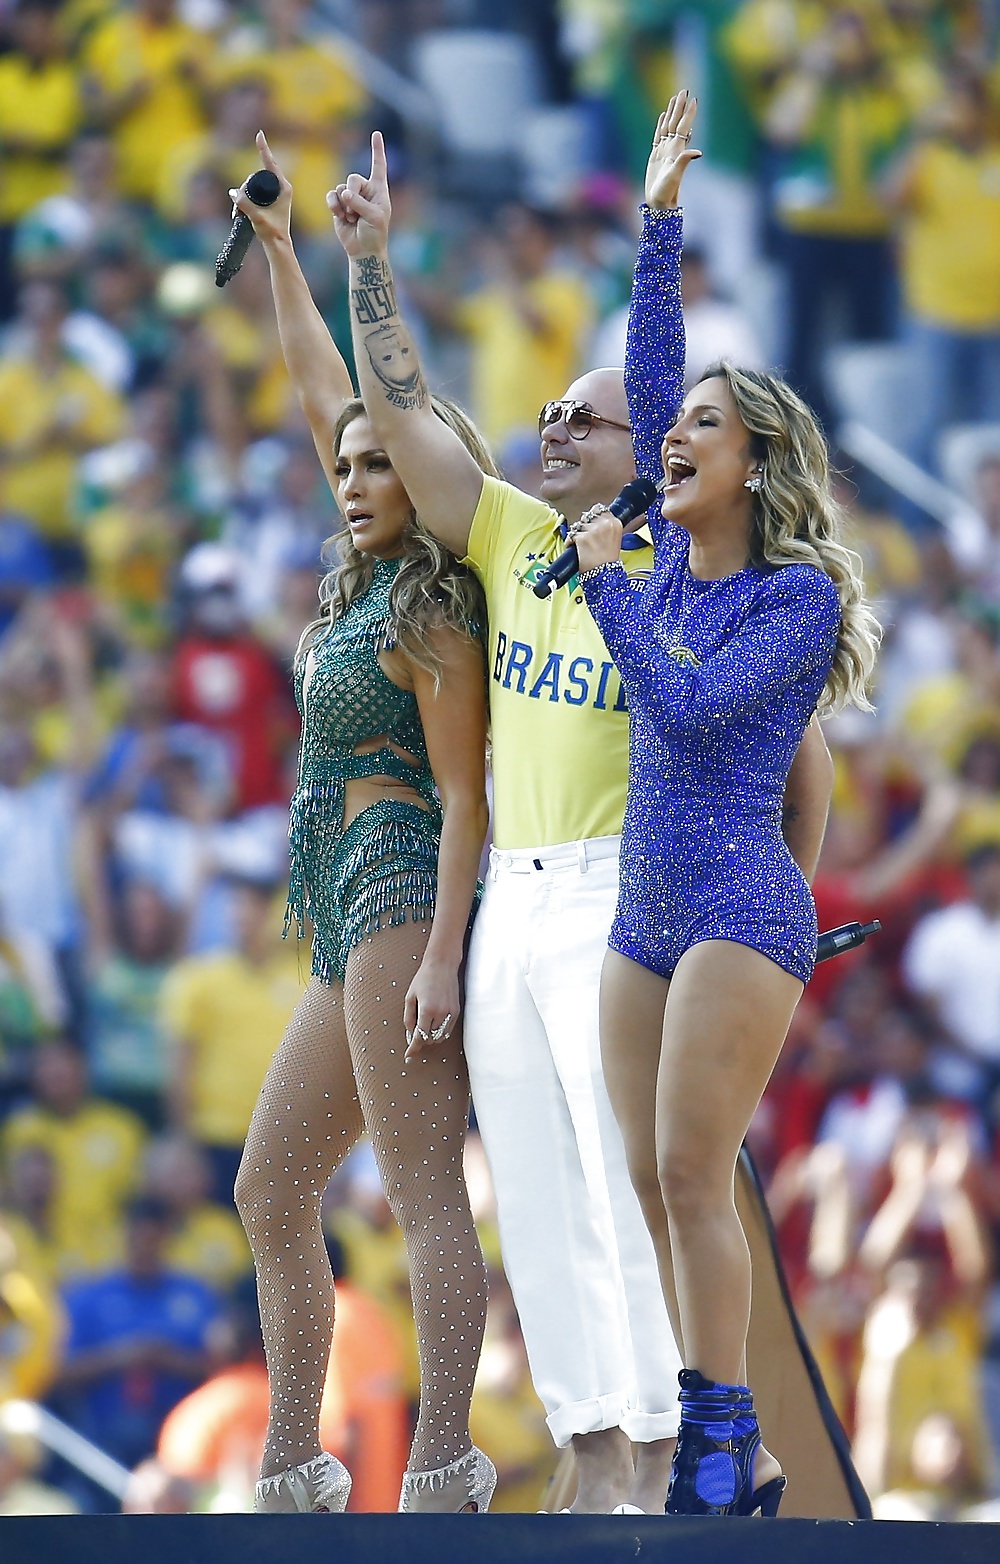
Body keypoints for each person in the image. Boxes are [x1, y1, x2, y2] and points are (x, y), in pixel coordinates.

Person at [328, 95, 839, 1514]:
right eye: (553, 412)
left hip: (674, 882)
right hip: (557, 897)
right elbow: (424, 403)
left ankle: (704, 1448)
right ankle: (613, 1448)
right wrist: (651, 223)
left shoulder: (731, 585)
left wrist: (788, 901)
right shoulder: (542, 537)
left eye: (601, 418)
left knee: (661, 1184)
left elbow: (783, 761)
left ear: (695, 455)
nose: (562, 425)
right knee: (574, 1193)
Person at [567, 197, 881, 1509]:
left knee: (697, 1174)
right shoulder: (668, 565)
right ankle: (739, 1449)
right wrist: (657, 223)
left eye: (705, 426)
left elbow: (690, 709)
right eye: (673, 425)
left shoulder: (789, 597)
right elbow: (650, 379)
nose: (673, 437)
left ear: (755, 464)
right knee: (651, 1186)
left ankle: (711, 1448)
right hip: (646, 905)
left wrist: (604, 585)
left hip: (738, 903)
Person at [230, 134, 495, 1516]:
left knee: (416, 1187)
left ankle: (446, 1462)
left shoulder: (431, 604)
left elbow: (465, 798)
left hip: (402, 888)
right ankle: (294, 1469)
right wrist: (282, 254)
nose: (349, 476)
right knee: (272, 1188)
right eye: (341, 469)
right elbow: (322, 388)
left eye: (376, 466)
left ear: (416, 476)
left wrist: (446, 956)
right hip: (344, 903)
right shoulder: (356, 576)